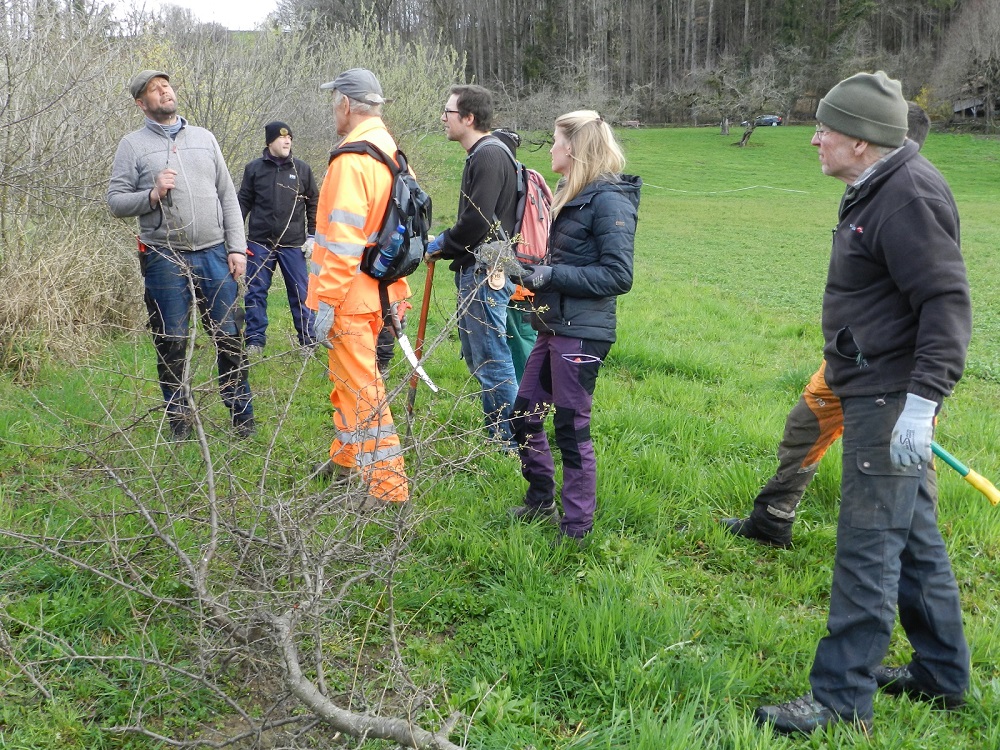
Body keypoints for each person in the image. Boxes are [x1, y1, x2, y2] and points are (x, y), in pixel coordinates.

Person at [754, 72, 971, 735]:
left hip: (890, 394)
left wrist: (920, 401)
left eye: (824, 129)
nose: (814, 137)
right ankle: (941, 675)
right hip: (875, 383)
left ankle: (840, 698)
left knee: (868, 544)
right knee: (914, 538)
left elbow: (946, 302)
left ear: (860, 139)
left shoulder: (906, 195)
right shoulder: (875, 184)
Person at [722, 101, 933, 548]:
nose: (817, 140)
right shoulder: (863, 192)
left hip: (892, 372)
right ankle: (772, 518)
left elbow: (937, 301)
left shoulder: (911, 205)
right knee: (804, 428)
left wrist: (917, 398)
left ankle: (911, 562)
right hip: (847, 356)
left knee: (900, 468)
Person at [507, 111, 641, 544]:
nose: (550, 148)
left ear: (574, 147)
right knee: (524, 414)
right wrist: (523, 269)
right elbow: (567, 263)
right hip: (552, 324)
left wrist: (552, 277)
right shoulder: (574, 193)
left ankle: (577, 528)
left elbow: (618, 276)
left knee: (570, 424)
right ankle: (540, 500)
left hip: (582, 332)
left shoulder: (609, 200)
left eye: (555, 140)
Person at [107, 69, 254, 440]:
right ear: (142, 103)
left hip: (215, 254)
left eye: (166, 86)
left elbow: (228, 197)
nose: (163, 92)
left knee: (230, 337)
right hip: (164, 257)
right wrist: (152, 194)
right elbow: (116, 201)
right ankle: (180, 421)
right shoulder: (133, 145)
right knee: (171, 340)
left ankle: (242, 416)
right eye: (154, 90)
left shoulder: (204, 138)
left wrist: (236, 247)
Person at [306, 68, 409, 505]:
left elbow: (344, 238)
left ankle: (387, 488)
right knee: (349, 382)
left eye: (335, 103)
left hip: (349, 297)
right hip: (383, 291)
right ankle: (347, 460)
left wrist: (325, 300)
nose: (334, 110)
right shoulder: (392, 152)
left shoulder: (351, 160)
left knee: (363, 389)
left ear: (346, 104)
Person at [425, 85, 519, 447]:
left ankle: (508, 442)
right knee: (485, 357)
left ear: (468, 118)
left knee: (492, 359)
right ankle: (499, 435)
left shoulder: (488, 156)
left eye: (448, 113)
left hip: (485, 270)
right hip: (482, 267)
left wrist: (442, 244)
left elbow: (476, 223)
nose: (443, 119)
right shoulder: (485, 154)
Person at [238, 120, 319, 355]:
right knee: (255, 291)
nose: (287, 141)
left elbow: (314, 201)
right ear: (269, 141)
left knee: (301, 292)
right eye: (282, 138)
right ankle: (254, 341)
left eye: (290, 138)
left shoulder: (301, 169)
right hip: (260, 242)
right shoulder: (253, 169)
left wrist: (312, 235)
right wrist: (235, 237)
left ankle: (308, 340)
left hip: (293, 243)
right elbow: (243, 202)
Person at [492, 126, 539, 382]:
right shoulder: (529, 178)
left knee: (518, 346)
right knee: (520, 343)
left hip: (513, 282)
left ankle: (523, 409)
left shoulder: (507, 180)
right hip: (529, 278)